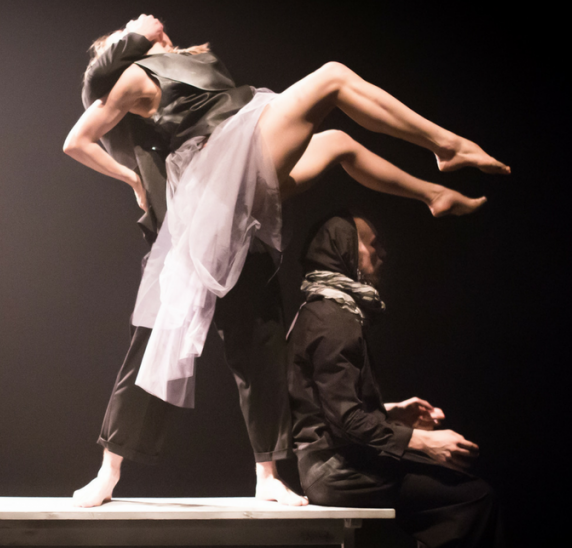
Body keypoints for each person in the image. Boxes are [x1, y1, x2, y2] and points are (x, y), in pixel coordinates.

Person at [63, 14, 507, 507]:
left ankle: (433, 195)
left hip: (241, 175)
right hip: (215, 177)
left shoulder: (190, 63)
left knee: (261, 338)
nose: (159, 24)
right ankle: (446, 146)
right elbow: (76, 141)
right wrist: (133, 180)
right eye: (147, 28)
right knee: (332, 77)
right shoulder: (131, 75)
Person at [289, 213, 502, 547]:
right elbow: (346, 420)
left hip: (329, 462)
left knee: (458, 488)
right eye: (373, 244)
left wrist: (391, 413)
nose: (382, 254)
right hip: (336, 470)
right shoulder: (333, 319)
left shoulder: (322, 310)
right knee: (473, 497)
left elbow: (327, 406)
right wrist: (424, 441)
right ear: (345, 248)